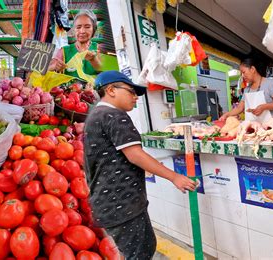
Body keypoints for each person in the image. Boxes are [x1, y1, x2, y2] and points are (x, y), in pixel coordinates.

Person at [84, 71, 196, 259]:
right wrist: (174, 176)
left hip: (108, 204)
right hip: (122, 205)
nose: (135, 98)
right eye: (131, 91)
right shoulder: (113, 115)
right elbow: (135, 155)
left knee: (135, 251)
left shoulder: (95, 115)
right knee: (140, 253)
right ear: (111, 90)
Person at [220, 58, 273, 122]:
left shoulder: (269, 83)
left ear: (252, 69)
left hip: (270, 126)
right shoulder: (247, 89)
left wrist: (264, 107)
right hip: (252, 127)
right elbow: (240, 108)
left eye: (243, 72)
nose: (243, 76)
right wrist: (227, 114)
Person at [48, 9, 102, 79]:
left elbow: (107, 75)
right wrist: (53, 67)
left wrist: (94, 61)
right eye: (78, 27)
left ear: (94, 29)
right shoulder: (63, 51)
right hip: (70, 89)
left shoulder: (99, 49)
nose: (82, 31)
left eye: (87, 27)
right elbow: (49, 75)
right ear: (74, 30)